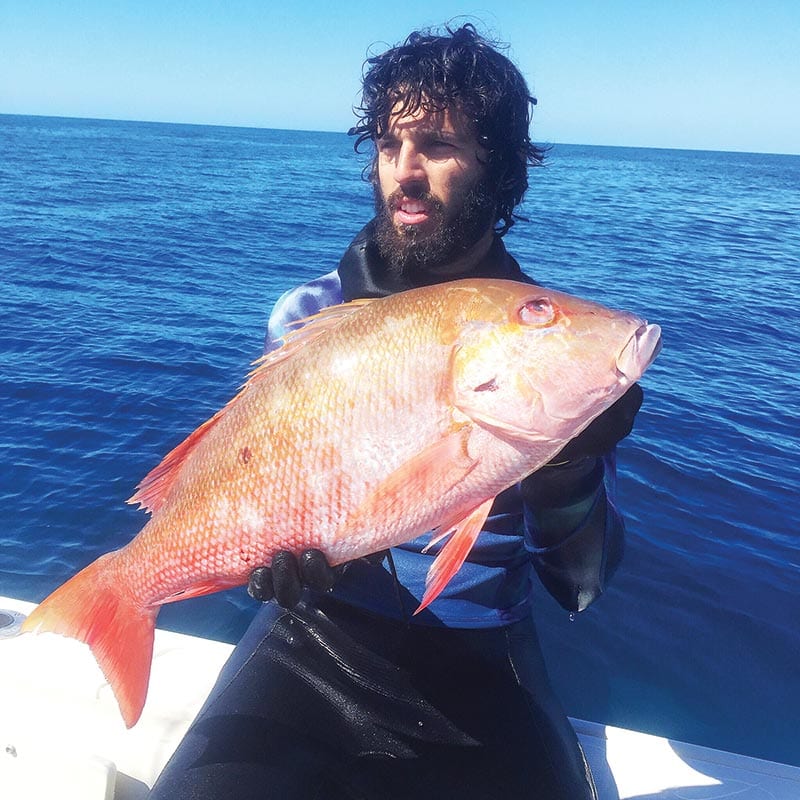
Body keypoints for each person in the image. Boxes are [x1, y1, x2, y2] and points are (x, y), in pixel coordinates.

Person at [149, 23, 643, 800]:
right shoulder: (309, 316)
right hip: (312, 645)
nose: (403, 172)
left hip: (484, 671)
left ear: (500, 167)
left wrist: (571, 468)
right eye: (387, 144)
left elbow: (579, 588)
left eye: (438, 144)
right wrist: (270, 563)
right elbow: (256, 484)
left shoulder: (539, 344)